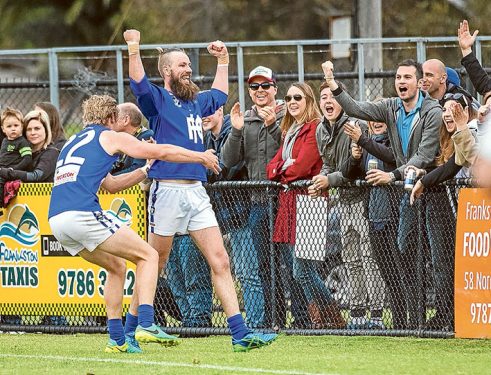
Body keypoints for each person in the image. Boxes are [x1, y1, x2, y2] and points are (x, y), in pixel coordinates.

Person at [124, 29, 277, 351]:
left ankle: (239, 333)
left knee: (220, 260)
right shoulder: (159, 100)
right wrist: (134, 47)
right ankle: (131, 329)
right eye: (181, 65)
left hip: (196, 191)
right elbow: (138, 80)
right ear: (167, 71)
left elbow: (220, 94)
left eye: (189, 65)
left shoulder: (196, 101)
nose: (188, 69)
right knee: (155, 262)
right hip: (167, 189)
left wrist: (223, 59)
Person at [47, 94, 220, 353]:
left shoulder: (73, 142)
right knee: (149, 255)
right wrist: (200, 157)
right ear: (111, 118)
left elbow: (111, 186)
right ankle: (146, 323)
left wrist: (145, 170)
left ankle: (116, 340)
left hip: (57, 220)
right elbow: (161, 150)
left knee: (116, 266)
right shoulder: (109, 135)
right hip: (81, 213)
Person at [320, 59, 442, 329]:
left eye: (407, 77)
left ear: (419, 82)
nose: (401, 82)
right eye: (398, 77)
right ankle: (409, 323)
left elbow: (424, 155)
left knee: (426, 259)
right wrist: (332, 82)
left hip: (430, 190)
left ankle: (429, 320)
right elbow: (356, 108)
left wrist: (393, 175)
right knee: (404, 256)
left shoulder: (432, 111)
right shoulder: (390, 107)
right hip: (404, 191)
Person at [222, 66, 303, 329]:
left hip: (286, 200)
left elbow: (289, 152)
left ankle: (303, 320)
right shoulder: (244, 119)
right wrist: (235, 130)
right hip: (258, 204)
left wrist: (270, 126)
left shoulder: (288, 113)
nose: (260, 91)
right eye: (254, 87)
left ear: (274, 88)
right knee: (266, 267)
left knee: (294, 266)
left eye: (265, 86)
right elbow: (229, 160)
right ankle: (273, 320)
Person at [265, 82, 345, 329]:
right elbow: (272, 169)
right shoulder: (290, 130)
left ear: (308, 100)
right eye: (288, 98)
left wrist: (285, 168)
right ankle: (319, 320)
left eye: (297, 97)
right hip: (290, 202)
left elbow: (300, 168)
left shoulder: (313, 129)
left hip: (310, 201)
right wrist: (284, 166)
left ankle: (333, 318)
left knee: (302, 270)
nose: (292, 102)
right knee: (298, 268)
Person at [308, 81, 385, 329]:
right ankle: (358, 312)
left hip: (363, 199)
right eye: (323, 98)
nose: (328, 102)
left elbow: (354, 171)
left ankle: (376, 315)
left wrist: (327, 179)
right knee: (350, 258)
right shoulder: (321, 129)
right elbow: (329, 165)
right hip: (343, 201)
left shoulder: (356, 125)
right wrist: (321, 179)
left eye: (332, 97)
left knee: (368, 257)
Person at [408, 94, 478, 331]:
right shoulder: (459, 134)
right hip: (471, 213)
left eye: (454, 109)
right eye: (445, 109)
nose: (448, 113)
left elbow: (475, 160)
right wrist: (425, 180)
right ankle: (455, 316)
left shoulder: (475, 130)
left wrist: (461, 127)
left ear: (467, 110)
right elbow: (453, 166)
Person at [342, 114, 406, 329]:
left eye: (381, 118)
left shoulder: (396, 141)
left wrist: (363, 140)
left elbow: (392, 157)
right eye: (373, 119)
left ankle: (411, 322)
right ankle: (398, 324)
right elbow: (350, 174)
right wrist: (355, 157)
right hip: (375, 217)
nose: (377, 122)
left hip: (396, 216)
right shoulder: (367, 144)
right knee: (389, 275)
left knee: (402, 273)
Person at [0, 107, 32, 207]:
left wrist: (13, 169)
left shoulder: (22, 142)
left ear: (22, 126)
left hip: (10, 172)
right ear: (3, 129)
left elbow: (27, 159)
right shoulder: (5, 141)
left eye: (16, 125)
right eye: (9, 126)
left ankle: (1, 205)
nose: (13, 128)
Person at [110, 102, 154, 175]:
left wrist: (108, 181)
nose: (110, 121)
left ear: (126, 120)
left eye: (114, 117)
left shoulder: (146, 137)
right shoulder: (123, 139)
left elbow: (138, 169)